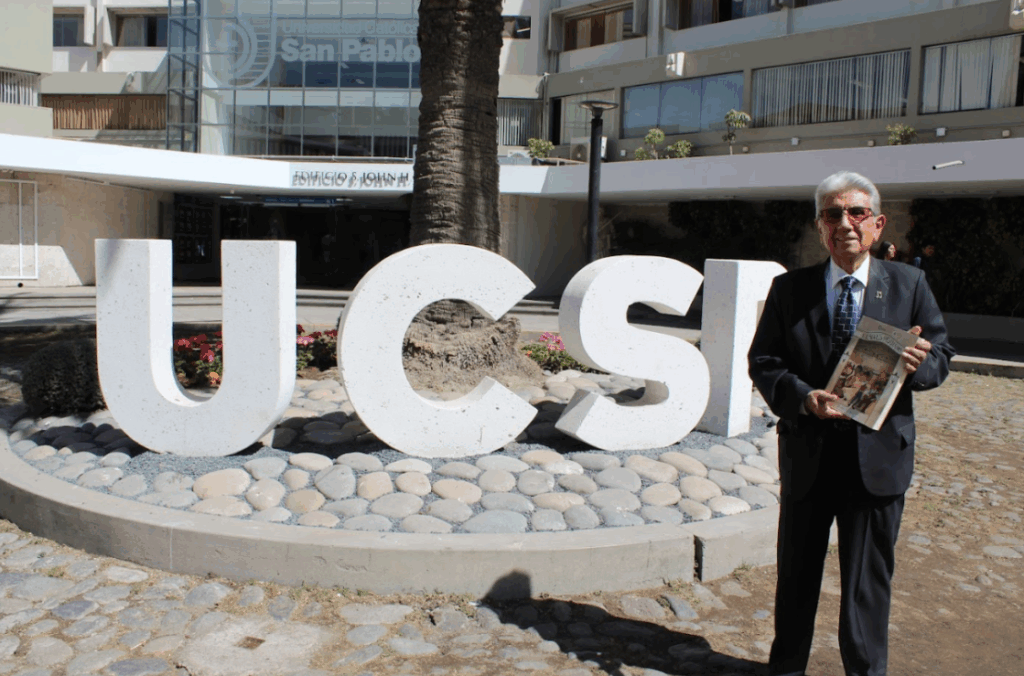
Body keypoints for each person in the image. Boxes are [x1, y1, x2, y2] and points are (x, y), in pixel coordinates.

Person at [748, 171, 955, 676]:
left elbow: (941, 358)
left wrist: (918, 363)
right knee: (796, 576)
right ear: (820, 226)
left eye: (857, 212)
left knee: (867, 585)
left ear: (878, 223)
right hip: (809, 455)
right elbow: (764, 361)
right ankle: (787, 669)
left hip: (878, 461)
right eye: (833, 214)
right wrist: (803, 398)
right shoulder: (789, 289)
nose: (845, 223)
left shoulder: (909, 284)